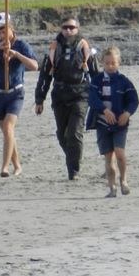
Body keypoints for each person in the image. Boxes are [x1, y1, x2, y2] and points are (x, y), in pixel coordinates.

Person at [0, 12, 39, 177]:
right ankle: (17, 165)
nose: (0, 33)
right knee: (7, 133)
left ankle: (4, 167)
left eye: (3, 29)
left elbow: (34, 66)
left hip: (15, 93)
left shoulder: (21, 45)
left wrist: (16, 54)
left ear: (11, 27)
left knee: (8, 127)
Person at [35, 16, 95, 180]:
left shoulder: (85, 47)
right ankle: (74, 158)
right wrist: (40, 99)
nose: (68, 31)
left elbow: (96, 75)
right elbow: (45, 76)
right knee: (62, 136)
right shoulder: (54, 48)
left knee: (74, 134)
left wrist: (101, 99)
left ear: (77, 29)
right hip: (59, 96)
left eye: (71, 28)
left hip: (80, 95)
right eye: (65, 27)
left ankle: (73, 171)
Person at [86, 47, 139, 197]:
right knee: (108, 157)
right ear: (102, 63)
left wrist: (127, 113)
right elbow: (92, 99)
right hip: (102, 124)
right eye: (107, 63)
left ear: (119, 63)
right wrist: (104, 110)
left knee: (120, 153)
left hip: (120, 124)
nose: (110, 66)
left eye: (113, 63)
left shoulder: (124, 82)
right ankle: (112, 187)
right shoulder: (97, 81)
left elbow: (133, 100)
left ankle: (124, 180)